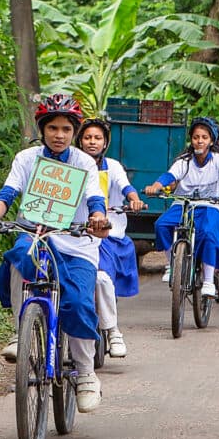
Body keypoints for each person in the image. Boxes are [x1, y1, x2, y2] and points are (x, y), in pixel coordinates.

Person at [0, 94, 110, 413]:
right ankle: (21, 332)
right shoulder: (26, 159)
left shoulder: (84, 162)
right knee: (18, 258)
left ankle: (86, 373)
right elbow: (8, 193)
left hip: (76, 241)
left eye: (66, 128)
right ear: (42, 128)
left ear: (74, 131)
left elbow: (95, 199)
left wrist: (97, 219)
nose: (59, 135)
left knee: (78, 303)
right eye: (53, 128)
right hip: (36, 233)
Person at [143, 117, 219, 298]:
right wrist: (155, 186)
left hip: (212, 204)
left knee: (208, 232)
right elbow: (169, 176)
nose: (199, 141)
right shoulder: (184, 161)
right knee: (161, 225)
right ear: (191, 140)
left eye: (204, 137)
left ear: (211, 140)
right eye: (196, 137)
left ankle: (209, 280)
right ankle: (172, 264)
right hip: (184, 203)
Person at [77, 117, 145, 358]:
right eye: (87, 137)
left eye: (97, 138)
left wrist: (134, 199)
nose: (92, 142)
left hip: (107, 235)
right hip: (74, 234)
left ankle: (112, 329)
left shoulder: (113, 166)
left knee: (101, 278)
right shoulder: (72, 165)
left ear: (105, 142)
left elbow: (125, 186)